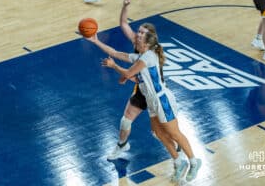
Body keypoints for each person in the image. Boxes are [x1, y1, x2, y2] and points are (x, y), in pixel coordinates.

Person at [85, 29, 202, 182]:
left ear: (146, 44)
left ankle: (194, 161)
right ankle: (178, 162)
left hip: (162, 100)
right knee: (159, 133)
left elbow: (127, 74)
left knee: (174, 133)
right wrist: (96, 41)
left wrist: (114, 67)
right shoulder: (140, 56)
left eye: (140, 37)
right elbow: (115, 52)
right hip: (152, 101)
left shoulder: (148, 57)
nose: (136, 37)